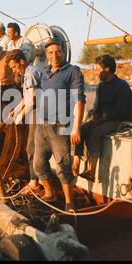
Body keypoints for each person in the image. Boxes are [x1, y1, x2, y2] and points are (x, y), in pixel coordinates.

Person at [33, 38, 86, 213]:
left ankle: (69, 202)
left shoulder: (72, 72)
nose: (54, 55)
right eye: (50, 52)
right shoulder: (45, 71)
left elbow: (79, 100)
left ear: (63, 52)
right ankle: (50, 194)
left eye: (57, 51)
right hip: (42, 125)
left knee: (63, 167)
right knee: (38, 164)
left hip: (61, 125)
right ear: (46, 55)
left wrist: (76, 127)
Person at [72, 55, 132, 183]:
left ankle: (92, 171)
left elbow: (121, 111)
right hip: (105, 119)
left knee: (95, 132)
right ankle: (76, 161)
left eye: (98, 69)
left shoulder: (122, 86)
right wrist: (94, 120)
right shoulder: (101, 86)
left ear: (107, 69)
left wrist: (98, 122)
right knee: (83, 128)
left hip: (120, 120)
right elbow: (97, 107)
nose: (95, 73)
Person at [6, 49, 43, 195]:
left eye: (15, 67)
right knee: (32, 147)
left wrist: (19, 117)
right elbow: (25, 98)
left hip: (39, 113)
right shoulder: (28, 72)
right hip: (34, 112)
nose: (15, 71)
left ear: (22, 61)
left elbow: (32, 100)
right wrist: (15, 110)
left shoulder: (32, 73)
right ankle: (36, 179)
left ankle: (34, 182)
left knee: (31, 148)